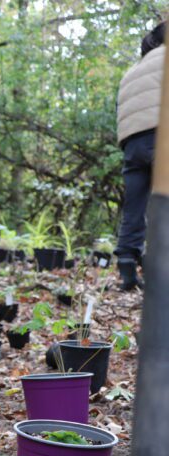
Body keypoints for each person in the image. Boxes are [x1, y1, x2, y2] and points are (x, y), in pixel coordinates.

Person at [114, 22, 165, 291]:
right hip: (161, 137)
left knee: (134, 208)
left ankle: (127, 265)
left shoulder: (131, 71)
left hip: (132, 145)